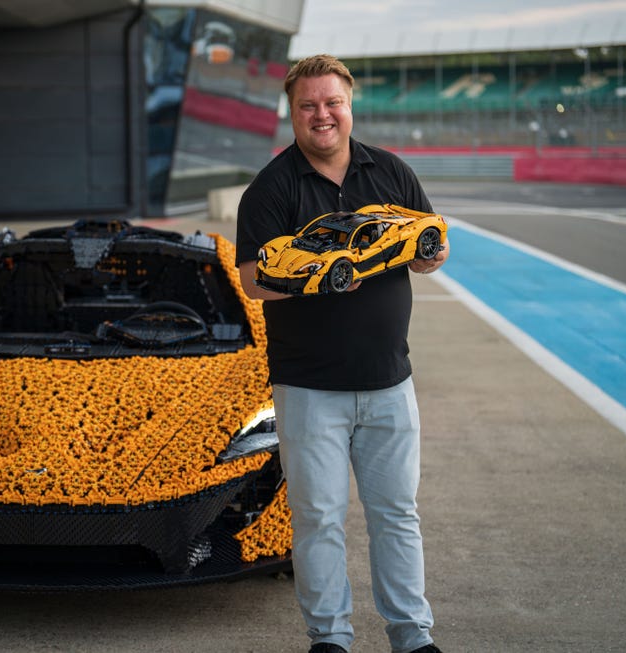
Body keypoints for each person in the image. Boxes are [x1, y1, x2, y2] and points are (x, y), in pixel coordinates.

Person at [235, 54, 449, 653]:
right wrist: (314, 279)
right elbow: (253, 280)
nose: (321, 115)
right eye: (308, 105)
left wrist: (430, 257)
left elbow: (427, 244)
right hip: (308, 388)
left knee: (396, 515)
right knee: (320, 520)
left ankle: (412, 638)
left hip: (389, 380)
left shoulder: (391, 171)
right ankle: (330, 640)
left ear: (349, 106)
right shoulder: (271, 187)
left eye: (332, 102)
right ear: (293, 112)